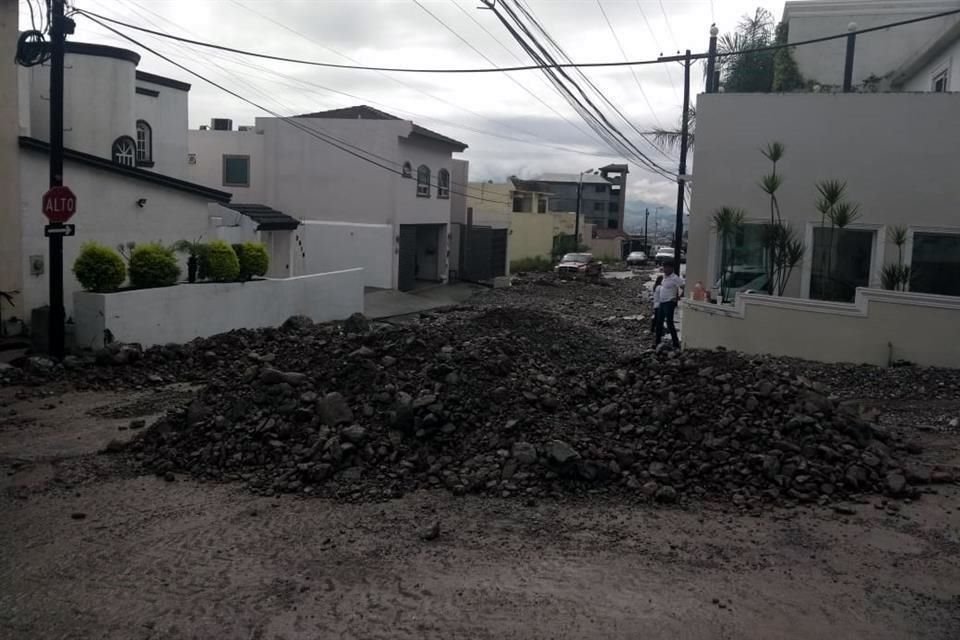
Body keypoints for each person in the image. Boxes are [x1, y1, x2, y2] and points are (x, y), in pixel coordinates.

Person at [656, 261, 684, 349]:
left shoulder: (675, 278)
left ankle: (676, 343)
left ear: (671, 268)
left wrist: (678, 297)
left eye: (667, 267)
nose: (665, 269)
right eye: (664, 267)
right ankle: (657, 342)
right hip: (662, 302)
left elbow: (684, 287)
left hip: (669, 303)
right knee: (659, 322)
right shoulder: (664, 277)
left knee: (669, 323)